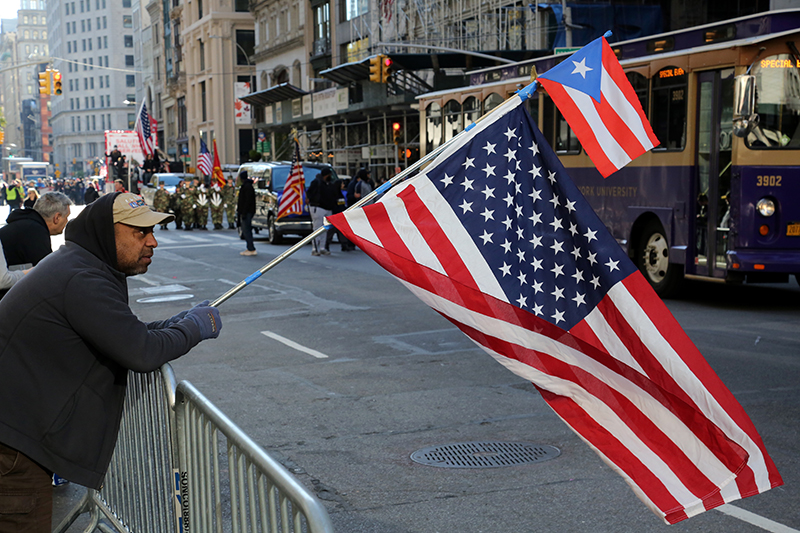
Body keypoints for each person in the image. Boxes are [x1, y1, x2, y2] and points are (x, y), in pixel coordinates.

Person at [0, 192, 222, 530]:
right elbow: (141, 351)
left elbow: (122, 332)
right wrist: (196, 326)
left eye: (152, 232)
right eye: (140, 232)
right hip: (14, 446)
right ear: (107, 232)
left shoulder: (81, 264)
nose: (153, 242)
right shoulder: (83, 278)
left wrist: (180, 321)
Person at [0, 192, 72, 301]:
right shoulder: (35, 231)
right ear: (57, 217)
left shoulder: (26, 225)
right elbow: (46, 274)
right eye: (66, 217)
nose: (67, 222)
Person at [307, 167, 337, 256]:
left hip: (328, 208)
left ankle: (322, 248)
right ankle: (315, 248)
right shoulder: (316, 182)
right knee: (317, 228)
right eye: (329, 175)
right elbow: (310, 193)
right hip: (318, 207)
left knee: (325, 230)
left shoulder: (329, 184)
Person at [237, 171, 257, 256]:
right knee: (246, 230)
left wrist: (244, 212)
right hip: (247, 211)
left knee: (246, 230)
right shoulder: (247, 186)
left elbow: (247, 201)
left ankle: (251, 249)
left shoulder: (247, 187)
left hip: (247, 211)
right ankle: (249, 247)